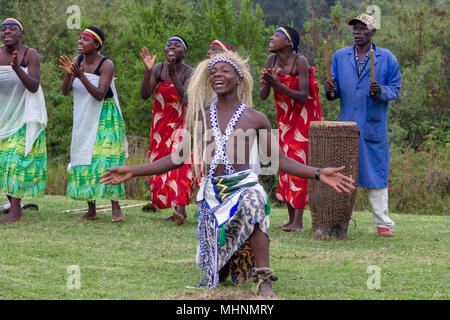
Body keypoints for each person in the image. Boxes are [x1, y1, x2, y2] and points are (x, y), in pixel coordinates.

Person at [100, 51, 355, 297]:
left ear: (239, 77)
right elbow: (176, 159)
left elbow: (280, 161)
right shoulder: (199, 117)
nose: (217, 75)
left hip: (244, 186)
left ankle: (264, 279)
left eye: (225, 70)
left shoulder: (256, 119)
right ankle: (227, 259)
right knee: (217, 276)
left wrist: (319, 172)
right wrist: (132, 171)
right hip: (213, 194)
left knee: (254, 201)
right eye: (213, 71)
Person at [324, 14, 401, 237]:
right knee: (341, 174)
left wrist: (381, 92)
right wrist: (330, 90)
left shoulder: (386, 58)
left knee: (376, 174)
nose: (357, 31)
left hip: (372, 125)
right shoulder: (339, 56)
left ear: (373, 32)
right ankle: (337, 221)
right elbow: (334, 92)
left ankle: (383, 223)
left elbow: (394, 89)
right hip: (346, 126)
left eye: (362, 28)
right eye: (355, 28)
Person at [60, 26, 128, 222]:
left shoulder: (106, 64)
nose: (80, 42)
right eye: (80, 38)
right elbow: (65, 91)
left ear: (97, 44)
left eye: (86, 39)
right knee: (85, 158)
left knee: (107, 160)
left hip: (106, 116)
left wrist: (81, 76)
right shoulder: (77, 60)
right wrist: (68, 74)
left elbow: (99, 95)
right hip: (84, 116)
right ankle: (91, 209)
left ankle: (116, 208)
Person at [260, 26, 323, 232]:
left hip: (303, 119)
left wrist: (277, 84)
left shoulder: (300, 62)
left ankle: (298, 222)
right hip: (285, 120)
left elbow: (303, 96)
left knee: (297, 162)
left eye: (276, 35)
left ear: (289, 42)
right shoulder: (271, 61)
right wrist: (268, 83)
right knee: (284, 163)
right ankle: (290, 219)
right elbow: (263, 95)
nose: (271, 37)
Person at [140, 35, 196, 225]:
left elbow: (186, 98)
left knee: (180, 162)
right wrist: (148, 71)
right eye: (168, 44)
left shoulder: (190, 72)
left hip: (182, 122)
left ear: (185, 51)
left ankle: (180, 209)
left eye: (177, 44)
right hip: (161, 124)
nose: (171, 47)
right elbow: (144, 95)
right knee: (160, 162)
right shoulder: (159, 68)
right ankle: (172, 207)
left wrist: (173, 74)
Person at [0, 18, 47, 224]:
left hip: (25, 114)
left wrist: (18, 69)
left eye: (12, 29)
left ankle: (15, 210)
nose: (6, 32)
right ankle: (12, 205)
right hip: (4, 114)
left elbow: (34, 86)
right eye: (3, 29)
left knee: (14, 159)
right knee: (3, 162)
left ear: (22, 33)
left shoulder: (30, 54)